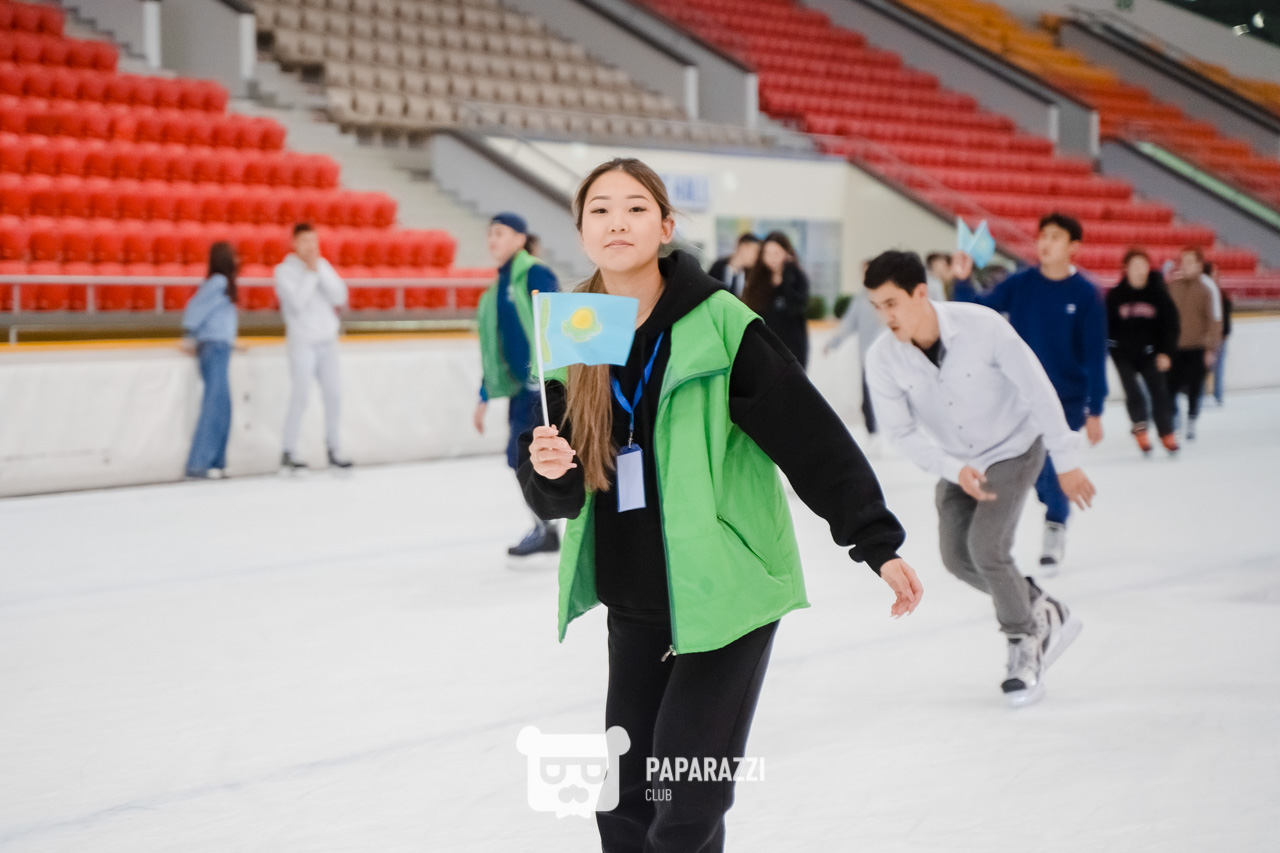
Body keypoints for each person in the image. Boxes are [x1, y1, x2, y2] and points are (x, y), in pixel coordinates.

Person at [520, 158, 923, 852]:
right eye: (600, 210)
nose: (617, 222)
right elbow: (556, 484)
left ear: (666, 226)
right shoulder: (575, 328)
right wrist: (550, 471)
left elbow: (808, 435)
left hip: (726, 590)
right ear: (581, 231)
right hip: (634, 595)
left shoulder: (720, 323)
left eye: (635, 207)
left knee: (685, 800)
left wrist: (875, 540)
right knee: (626, 805)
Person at [864, 250, 1091, 706]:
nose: (885, 317)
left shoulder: (982, 326)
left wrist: (1066, 460)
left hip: (1014, 447)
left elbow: (1037, 389)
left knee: (987, 549)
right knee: (956, 558)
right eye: (876, 307)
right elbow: (900, 433)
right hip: (957, 460)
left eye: (891, 303)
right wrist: (953, 470)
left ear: (920, 293)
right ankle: (1041, 606)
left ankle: (1025, 641)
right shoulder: (882, 357)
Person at [951, 212, 1106, 573]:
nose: (1045, 243)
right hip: (1019, 399)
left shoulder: (1086, 295)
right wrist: (962, 281)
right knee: (1032, 470)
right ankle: (1053, 508)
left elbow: (1095, 355)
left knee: (1053, 466)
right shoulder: (1021, 283)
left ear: (1074, 247)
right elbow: (978, 311)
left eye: (1055, 237)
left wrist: (1095, 409)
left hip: (1066, 401)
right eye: (1043, 236)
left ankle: (1055, 523)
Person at [474, 211, 561, 556]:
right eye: (490, 234)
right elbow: (494, 347)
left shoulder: (535, 274)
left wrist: (551, 379)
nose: (492, 240)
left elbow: (554, 321)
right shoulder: (496, 288)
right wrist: (484, 394)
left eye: (500, 233)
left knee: (530, 457)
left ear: (520, 239)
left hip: (541, 389)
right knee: (518, 458)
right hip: (520, 389)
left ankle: (548, 527)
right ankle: (545, 526)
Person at [275, 223, 351, 471]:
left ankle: (334, 448)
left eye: (313, 241)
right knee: (301, 395)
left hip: (327, 340)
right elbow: (297, 304)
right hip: (303, 341)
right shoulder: (284, 271)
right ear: (294, 243)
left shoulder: (323, 266)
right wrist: (310, 273)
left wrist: (318, 270)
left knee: (334, 395)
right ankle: (289, 450)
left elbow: (340, 296)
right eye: (305, 241)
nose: (310, 247)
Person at [1105, 249, 1180, 456]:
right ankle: (1140, 428)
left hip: (1150, 352)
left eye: (1143, 265)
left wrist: (1166, 352)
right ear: (1126, 269)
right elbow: (1105, 325)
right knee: (1133, 391)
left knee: (1159, 392)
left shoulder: (1158, 294)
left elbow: (1170, 325)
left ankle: (1167, 433)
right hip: (1122, 353)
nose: (1139, 270)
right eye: (1135, 266)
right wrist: (1108, 347)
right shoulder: (1116, 295)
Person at [181, 241, 239, 480]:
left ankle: (216, 460)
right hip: (213, 347)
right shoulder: (219, 282)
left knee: (223, 405)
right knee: (215, 404)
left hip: (220, 345)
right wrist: (189, 335)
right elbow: (196, 308)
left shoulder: (221, 284)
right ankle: (198, 462)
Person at [1166, 246, 1222, 441]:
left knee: (1194, 388)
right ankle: (1174, 418)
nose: (1186, 266)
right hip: (1174, 347)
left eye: (1190, 262)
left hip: (1197, 348)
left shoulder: (1206, 289)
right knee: (1169, 387)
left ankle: (1191, 418)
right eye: (1183, 261)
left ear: (1199, 265)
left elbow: (1214, 320)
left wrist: (1210, 347)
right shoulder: (1172, 287)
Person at [823, 278, 887, 439]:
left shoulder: (890, 295)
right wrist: (832, 343)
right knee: (868, 403)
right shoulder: (861, 299)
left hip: (889, 360)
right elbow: (848, 324)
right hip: (868, 359)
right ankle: (874, 436)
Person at [742, 231, 810, 368]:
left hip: (792, 348)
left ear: (787, 253)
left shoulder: (797, 278)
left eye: (776, 253)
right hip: (764, 348)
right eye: (767, 253)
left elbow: (795, 309)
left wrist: (786, 277)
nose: (772, 258)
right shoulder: (757, 279)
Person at [706, 232, 759, 298]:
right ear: (743, 247)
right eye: (755, 251)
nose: (757, 256)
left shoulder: (751, 274)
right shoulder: (718, 267)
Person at [1213, 285, 1232, 406]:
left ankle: (1218, 395)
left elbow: (1226, 315)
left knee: (1218, 368)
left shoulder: (1222, 294)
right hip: (1212, 336)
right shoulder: (1218, 294)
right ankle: (1215, 395)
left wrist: (1225, 332)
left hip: (1219, 336)